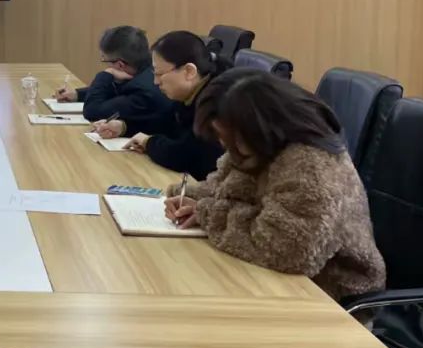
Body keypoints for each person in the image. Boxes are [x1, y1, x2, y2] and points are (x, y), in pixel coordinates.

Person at [164, 69, 386, 300]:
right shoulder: (262, 145)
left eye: (224, 135)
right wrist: (190, 198)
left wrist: (206, 213)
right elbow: (224, 187)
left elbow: (283, 249)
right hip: (280, 282)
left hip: (331, 297)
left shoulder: (311, 166)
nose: (222, 143)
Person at [110, 30, 228, 179]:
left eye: (160, 74)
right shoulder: (191, 92)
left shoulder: (217, 102)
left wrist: (149, 142)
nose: (156, 82)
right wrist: (124, 126)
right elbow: (165, 122)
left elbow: (185, 156)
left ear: (189, 71)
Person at [53, 25, 173, 136]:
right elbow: (117, 91)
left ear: (120, 65)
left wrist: (105, 74)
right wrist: (78, 94)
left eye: (105, 60)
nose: (107, 66)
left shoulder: (142, 91)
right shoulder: (147, 70)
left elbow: (92, 112)